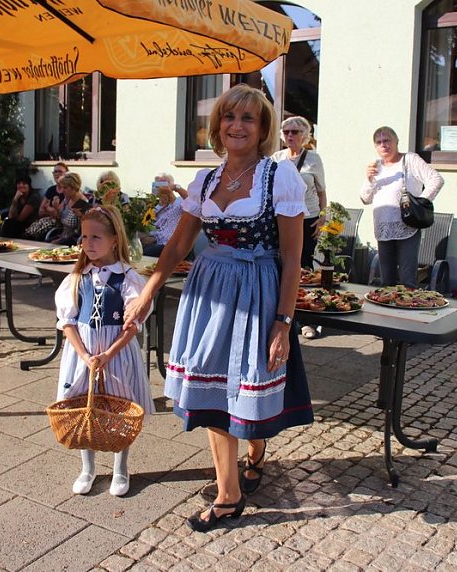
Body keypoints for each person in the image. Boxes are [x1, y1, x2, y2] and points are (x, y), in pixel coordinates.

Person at [123, 84, 313, 532]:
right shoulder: (205, 180)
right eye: (229, 117)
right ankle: (229, 494)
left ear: (264, 127)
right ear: (218, 126)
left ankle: (257, 447)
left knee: (248, 385)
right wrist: (149, 290)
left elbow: (293, 259)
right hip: (208, 290)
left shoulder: (280, 177)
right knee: (212, 391)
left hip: (257, 292)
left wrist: (283, 324)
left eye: (248, 118)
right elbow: (177, 245)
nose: (237, 125)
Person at [54, 204, 153, 497]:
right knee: (82, 406)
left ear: (114, 239)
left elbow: (132, 326)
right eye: (84, 237)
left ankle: (121, 468)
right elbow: (67, 322)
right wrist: (85, 355)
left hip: (116, 354)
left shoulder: (129, 279)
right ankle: (87, 467)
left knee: (119, 408)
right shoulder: (76, 278)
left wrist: (108, 354)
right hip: (82, 353)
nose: (88, 244)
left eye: (96, 237)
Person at [360, 126, 444, 288]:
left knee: (408, 280)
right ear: (375, 146)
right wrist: (370, 179)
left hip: (407, 225)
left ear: (396, 142)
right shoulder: (376, 166)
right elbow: (365, 198)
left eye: (387, 140)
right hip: (383, 228)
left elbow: (436, 179)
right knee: (387, 281)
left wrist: (420, 202)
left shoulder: (410, 160)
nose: (384, 145)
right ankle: (387, 312)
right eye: (379, 142)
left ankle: (409, 310)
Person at [272, 116, 327, 339]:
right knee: (280, 266)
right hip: (282, 218)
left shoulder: (314, 159)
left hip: (308, 218)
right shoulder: (277, 157)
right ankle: (283, 315)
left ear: (305, 135)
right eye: (286, 132)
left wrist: (323, 217)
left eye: (295, 132)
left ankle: (306, 320)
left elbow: (322, 190)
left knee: (303, 269)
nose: (290, 136)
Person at [141, 173, 187, 257]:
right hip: (155, 242)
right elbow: (148, 225)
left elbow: (193, 202)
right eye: (158, 185)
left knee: (144, 251)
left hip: (170, 245)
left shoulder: (180, 202)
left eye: (165, 184)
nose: (162, 189)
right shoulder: (156, 207)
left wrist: (176, 188)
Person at [25, 162, 67, 240]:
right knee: (28, 234)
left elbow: (61, 215)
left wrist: (48, 208)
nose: (57, 174)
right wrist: (52, 211)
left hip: (59, 225)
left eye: (60, 171)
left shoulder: (67, 191)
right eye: (55, 172)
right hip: (46, 221)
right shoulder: (51, 190)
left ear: (66, 174)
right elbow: (40, 212)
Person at [51, 172, 86, 246]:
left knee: (48, 245)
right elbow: (58, 221)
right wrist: (56, 208)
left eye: (65, 188)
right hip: (62, 235)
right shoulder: (67, 199)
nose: (62, 190)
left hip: (73, 240)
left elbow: (86, 228)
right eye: (62, 187)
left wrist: (81, 216)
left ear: (74, 187)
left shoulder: (82, 203)